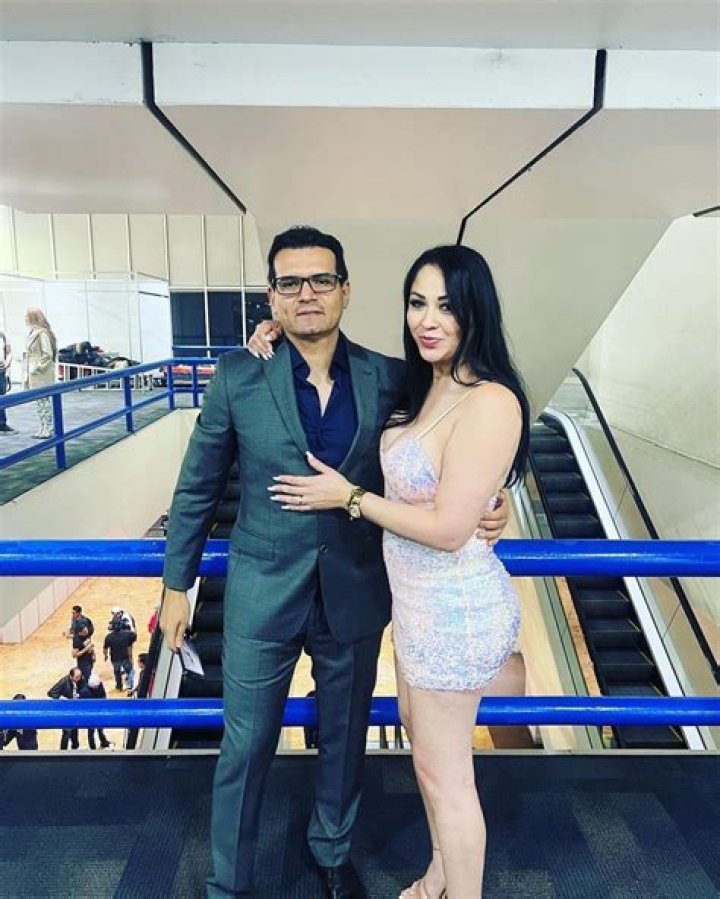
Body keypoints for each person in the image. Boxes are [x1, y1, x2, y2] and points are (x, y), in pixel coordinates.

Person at [160, 226, 508, 899]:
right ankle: (227, 882)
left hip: (355, 588)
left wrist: (499, 500)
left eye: (321, 280)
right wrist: (178, 583)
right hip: (262, 592)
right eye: (290, 283)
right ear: (272, 296)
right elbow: (197, 485)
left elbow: (457, 437)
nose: (307, 294)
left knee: (345, 737)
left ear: (346, 290)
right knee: (245, 744)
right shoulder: (238, 376)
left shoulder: (392, 377)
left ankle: (331, 850)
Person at [268, 244, 530, 898]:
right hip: (416, 610)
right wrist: (272, 332)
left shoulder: (491, 399)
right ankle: (441, 871)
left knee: (448, 776)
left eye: (446, 305)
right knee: (427, 757)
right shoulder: (426, 383)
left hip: (455, 611)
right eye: (417, 302)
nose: (427, 319)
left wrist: (349, 497)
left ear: (476, 310)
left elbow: (448, 528)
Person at [22, 307, 57, 439]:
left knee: (44, 401)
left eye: (27, 316)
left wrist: (37, 367)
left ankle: (48, 428)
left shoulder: (42, 333)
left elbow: (48, 354)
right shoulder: (32, 332)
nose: (25, 319)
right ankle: (43, 427)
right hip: (33, 371)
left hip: (42, 372)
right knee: (39, 402)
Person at [47, 667, 86, 750]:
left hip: (75, 709)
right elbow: (51, 693)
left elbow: (84, 689)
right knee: (67, 731)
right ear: (71, 676)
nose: (79, 678)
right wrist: (63, 699)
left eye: (79, 676)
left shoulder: (81, 679)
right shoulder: (63, 682)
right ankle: (63, 751)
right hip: (66, 710)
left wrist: (79, 695)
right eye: (77, 677)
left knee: (75, 729)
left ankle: (75, 747)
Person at [79, 673, 114, 750]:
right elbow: (82, 705)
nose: (97, 687)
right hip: (90, 715)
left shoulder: (99, 685)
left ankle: (104, 742)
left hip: (99, 712)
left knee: (100, 729)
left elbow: (104, 697)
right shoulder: (84, 692)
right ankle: (92, 748)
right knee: (91, 732)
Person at [103, 619, 137, 693]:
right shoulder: (127, 634)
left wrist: (105, 656)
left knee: (117, 672)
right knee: (129, 671)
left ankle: (119, 686)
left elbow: (105, 648)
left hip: (115, 658)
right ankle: (130, 686)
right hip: (125, 657)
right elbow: (134, 636)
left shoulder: (108, 637)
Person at [0, 327, 16, 435]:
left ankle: (1, 423)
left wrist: (7, 363)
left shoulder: (2, 335)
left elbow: (9, 352)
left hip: (1, 372)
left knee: (2, 397)